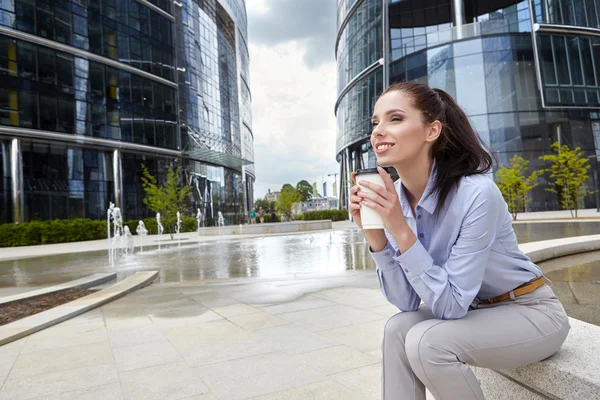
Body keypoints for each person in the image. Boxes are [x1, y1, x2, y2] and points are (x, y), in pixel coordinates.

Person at [348, 82, 570, 400]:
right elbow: (407, 302)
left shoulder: (476, 193)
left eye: (394, 118)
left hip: (530, 311)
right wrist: (377, 236)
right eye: (375, 122)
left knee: (428, 342)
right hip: (475, 312)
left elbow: (450, 305)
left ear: (432, 130)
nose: (378, 131)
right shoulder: (395, 198)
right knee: (398, 328)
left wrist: (399, 227)